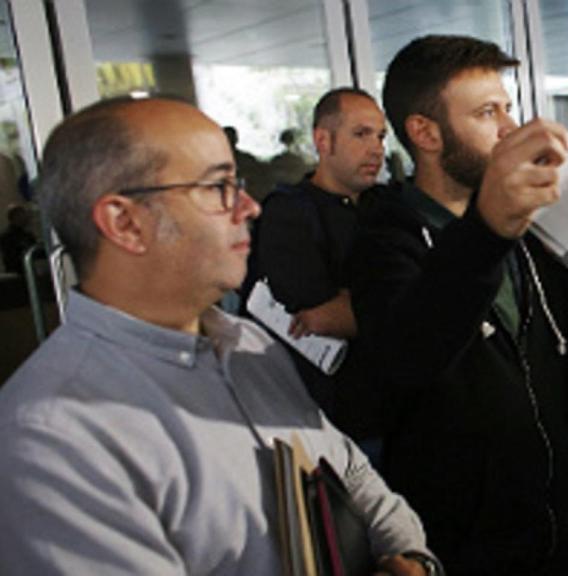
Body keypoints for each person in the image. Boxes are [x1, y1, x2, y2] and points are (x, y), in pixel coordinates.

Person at [0, 97, 438, 576]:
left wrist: (412, 558)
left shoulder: (249, 345)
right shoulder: (54, 437)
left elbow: (347, 469)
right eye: (217, 187)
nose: (249, 207)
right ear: (125, 222)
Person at [351, 35, 568, 575]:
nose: (509, 128)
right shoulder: (386, 238)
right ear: (425, 132)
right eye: (486, 113)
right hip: (469, 542)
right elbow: (408, 358)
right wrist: (488, 228)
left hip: (556, 521)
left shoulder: (515, 225)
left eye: (507, 108)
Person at [247, 88, 387, 458]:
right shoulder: (289, 213)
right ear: (323, 141)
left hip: (401, 412)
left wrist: (359, 301)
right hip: (336, 424)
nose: (376, 149)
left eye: (380, 136)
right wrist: (404, 302)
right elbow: (321, 318)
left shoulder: (387, 206)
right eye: (361, 134)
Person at [0, 203, 36, 275]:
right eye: (23, 215)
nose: (26, 218)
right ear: (15, 217)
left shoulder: (28, 235)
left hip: (29, 272)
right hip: (16, 274)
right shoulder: (7, 236)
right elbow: (11, 257)